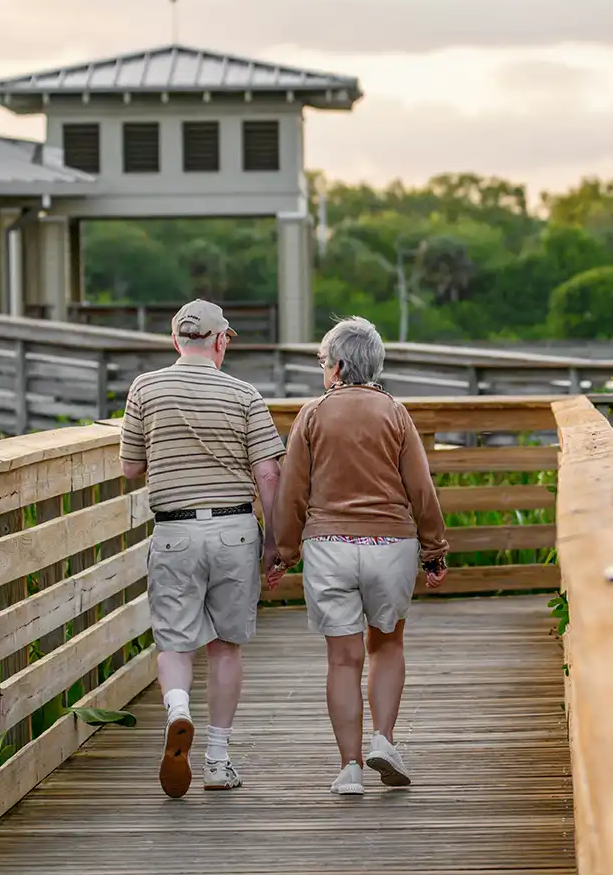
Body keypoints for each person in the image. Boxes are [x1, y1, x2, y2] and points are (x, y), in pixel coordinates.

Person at [269, 316, 448, 796]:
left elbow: (292, 492)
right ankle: (384, 740)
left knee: (343, 661)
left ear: (339, 366)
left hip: (328, 548)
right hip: (390, 545)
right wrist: (434, 549)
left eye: (324, 363)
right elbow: (421, 489)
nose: (323, 371)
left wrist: (283, 552)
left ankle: (350, 768)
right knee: (386, 645)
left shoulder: (311, 415)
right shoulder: (395, 413)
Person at [119, 299, 284, 798]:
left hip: (174, 531)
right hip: (234, 530)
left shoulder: (145, 388)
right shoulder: (245, 393)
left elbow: (130, 468)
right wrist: (275, 543)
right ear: (219, 341)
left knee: (174, 641)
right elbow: (269, 474)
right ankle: (217, 759)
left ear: (176, 341)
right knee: (225, 646)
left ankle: (177, 709)